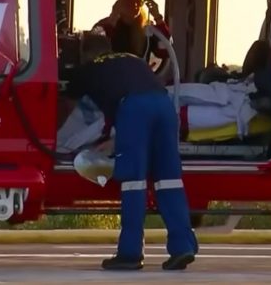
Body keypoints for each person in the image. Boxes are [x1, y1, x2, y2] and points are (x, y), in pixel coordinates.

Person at [65, 33, 198, 271]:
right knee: (169, 180)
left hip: (135, 108)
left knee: (133, 181)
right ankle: (183, 246)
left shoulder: (88, 69)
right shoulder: (133, 59)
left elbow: (77, 107)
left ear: (86, 54)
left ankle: (130, 253)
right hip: (164, 106)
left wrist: (106, 143)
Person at [92, 0, 171, 63]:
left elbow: (165, 52)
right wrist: (112, 19)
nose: (135, 6)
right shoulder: (104, 26)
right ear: (119, 1)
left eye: (138, 2)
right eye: (128, 1)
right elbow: (94, 53)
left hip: (137, 74)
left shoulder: (148, 29)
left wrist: (158, 18)